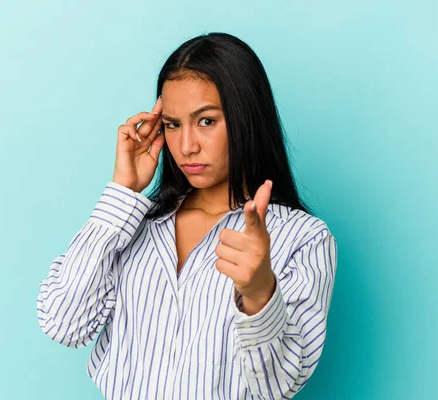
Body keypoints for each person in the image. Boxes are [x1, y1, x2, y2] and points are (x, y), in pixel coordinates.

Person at [37, 32, 338, 400]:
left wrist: (259, 294)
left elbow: (278, 386)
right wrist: (121, 192)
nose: (186, 146)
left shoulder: (303, 238)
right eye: (173, 124)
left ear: (246, 119)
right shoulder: (134, 227)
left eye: (206, 121)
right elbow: (64, 324)